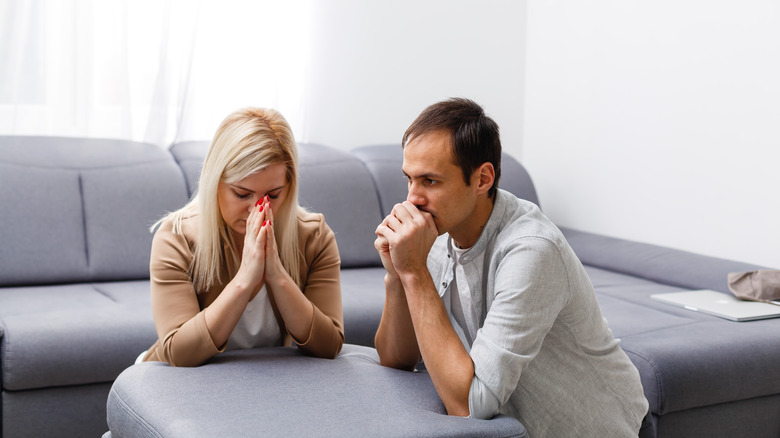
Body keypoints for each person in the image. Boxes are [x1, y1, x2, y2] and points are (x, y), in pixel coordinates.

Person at [373, 98, 650, 437]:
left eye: (430, 181)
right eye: (409, 179)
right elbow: (396, 360)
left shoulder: (532, 249)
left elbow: (469, 407)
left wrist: (415, 273)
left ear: (482, 179)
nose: (412, 199)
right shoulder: (437, 235)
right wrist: (397, 275)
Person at [139, 107, 344, 367]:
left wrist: (277, 275)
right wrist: (245, 279)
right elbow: (180, 354)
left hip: (255, 381)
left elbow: (329, 346)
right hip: (171, 379)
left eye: (273, 195)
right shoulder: (176, 237)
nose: (256, 210)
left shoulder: (314, 236)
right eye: (241, 194)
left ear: (289, 187)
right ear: (215, 182)